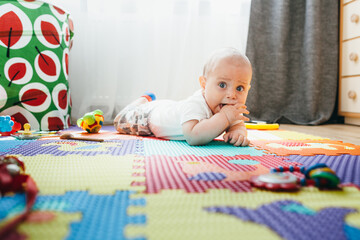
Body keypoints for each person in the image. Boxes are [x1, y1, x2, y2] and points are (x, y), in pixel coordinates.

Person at [114, 47, 252, 146]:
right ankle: (141, 101)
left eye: (240, 88)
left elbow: (237, 125)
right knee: (119, 121)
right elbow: (193, 136)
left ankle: (147, 100)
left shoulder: (229, 109)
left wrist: (238, 133)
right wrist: (224, 117)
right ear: (204, 84)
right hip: (147, 119)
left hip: (172, 107)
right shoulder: (197, 105)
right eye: (222, 85)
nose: (232, 95)